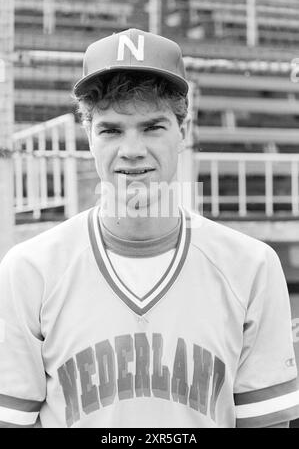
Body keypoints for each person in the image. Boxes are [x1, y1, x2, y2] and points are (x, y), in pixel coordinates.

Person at [0, 28, 298, 429]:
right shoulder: (28, 270)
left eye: (153, 126)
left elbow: (266, 423)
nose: (132, 149)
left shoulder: (252, 266)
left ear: (183, 132)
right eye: (111, 129)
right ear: (88, 136)